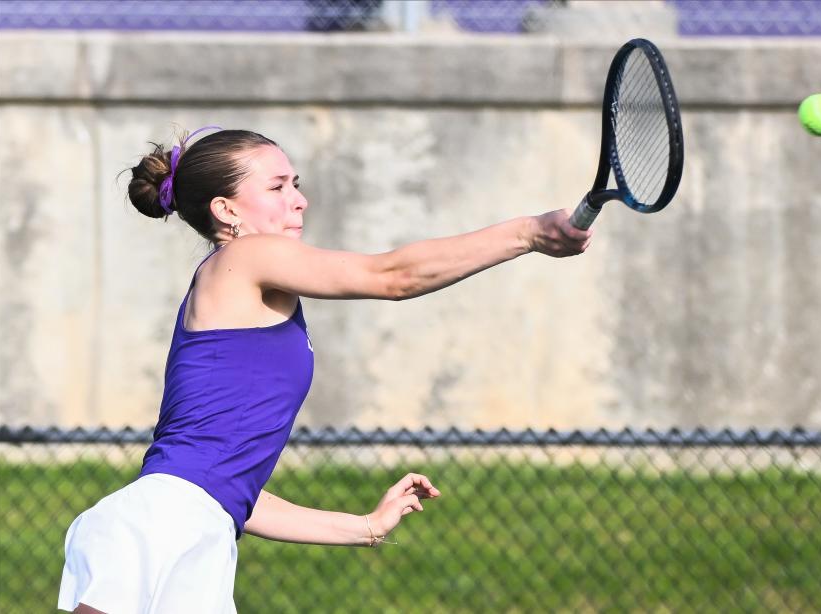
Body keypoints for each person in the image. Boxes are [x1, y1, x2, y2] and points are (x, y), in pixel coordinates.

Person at [58, 127, 592, 614]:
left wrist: (364, 526)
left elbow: (230, 488)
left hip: (197, 526)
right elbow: (393, 276)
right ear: (226, 210)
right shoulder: (245, 259)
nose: (299, 199)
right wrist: (526, 234)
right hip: (159, 524)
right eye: (277, 187)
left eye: (297, 182)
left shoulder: (249, 283)